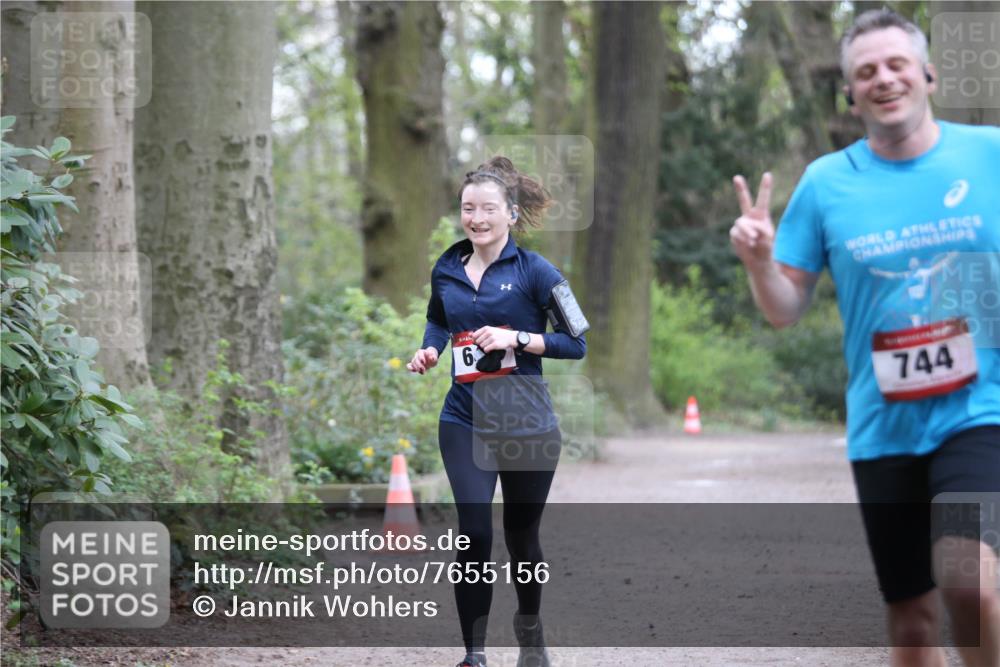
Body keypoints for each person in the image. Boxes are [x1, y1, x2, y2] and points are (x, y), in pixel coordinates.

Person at [730, 9, 999, 667]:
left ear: (928, 73)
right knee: (911, 624)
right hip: (883, 425)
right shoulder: (827, 183)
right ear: (850, 92)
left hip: (979, 409)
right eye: (865, 71)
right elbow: (785, 309)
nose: (884, 79)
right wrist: (761, 264)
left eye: (897, 64)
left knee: (969, 574)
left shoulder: (988, 155)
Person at [408, 156, 587, 667]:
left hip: (526, 423)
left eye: (488, 208)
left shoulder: (538, 272)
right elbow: (438, 322)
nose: (477, 218)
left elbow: (577, 343)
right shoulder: (447, 265)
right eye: (468, 209)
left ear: (510, 213)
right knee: (474, 533)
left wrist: (519, 338)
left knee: (521, 537)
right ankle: (474, 654)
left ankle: (529, 630)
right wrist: (431, 351)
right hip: (463, 418)